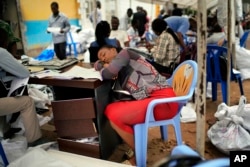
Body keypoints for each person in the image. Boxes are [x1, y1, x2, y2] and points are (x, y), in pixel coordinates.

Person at [94, 45, 179, 165]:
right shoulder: (121, 67)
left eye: (103, 54)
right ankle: (137, 148)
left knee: (113, 113)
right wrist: (102, 64)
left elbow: (107, 74)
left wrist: (103, 67)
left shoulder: (125, 54)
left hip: (163, 101)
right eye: (100, 58)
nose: (103, 59)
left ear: (113, 50)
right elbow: (100, 66)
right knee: (112, 108)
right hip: (153, 100)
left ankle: (139, 153)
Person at [0, 26, 43, 146]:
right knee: (27, 102)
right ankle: (34, 140)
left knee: (4, 93)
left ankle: (6, 130)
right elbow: (24, 73)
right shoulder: (1, 52)